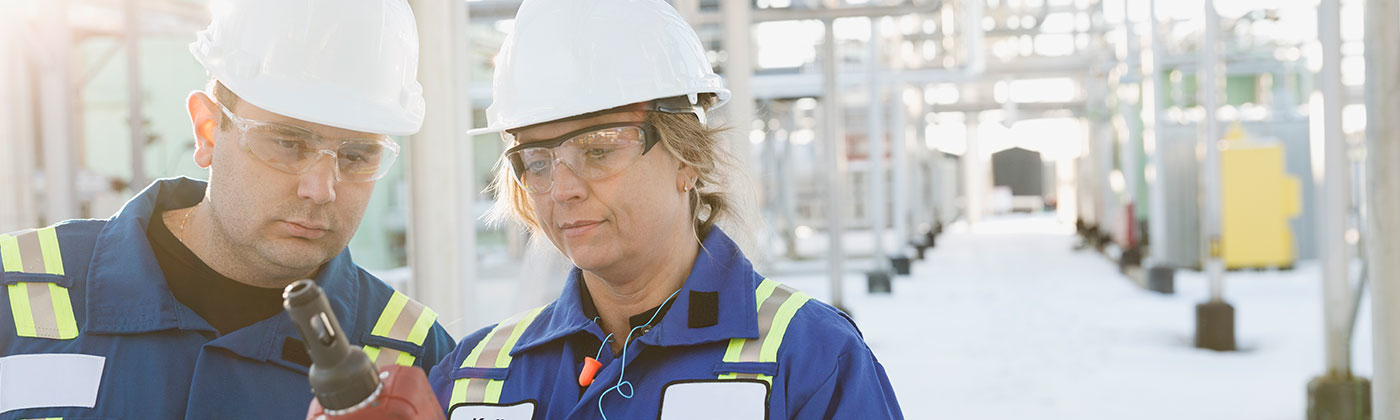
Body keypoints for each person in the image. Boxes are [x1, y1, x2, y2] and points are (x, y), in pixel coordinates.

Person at [426, 0, 903, 418]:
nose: (562, 189)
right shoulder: (474, 378)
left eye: (597, 149)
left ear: (689, 156)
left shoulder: (811, 359)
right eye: (536, 161)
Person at [0, 0, 454, 418]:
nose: (321, 190)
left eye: (357, 156)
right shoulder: (13, 291)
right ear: (208, 131)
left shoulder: (418, 356)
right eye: (287, 143)